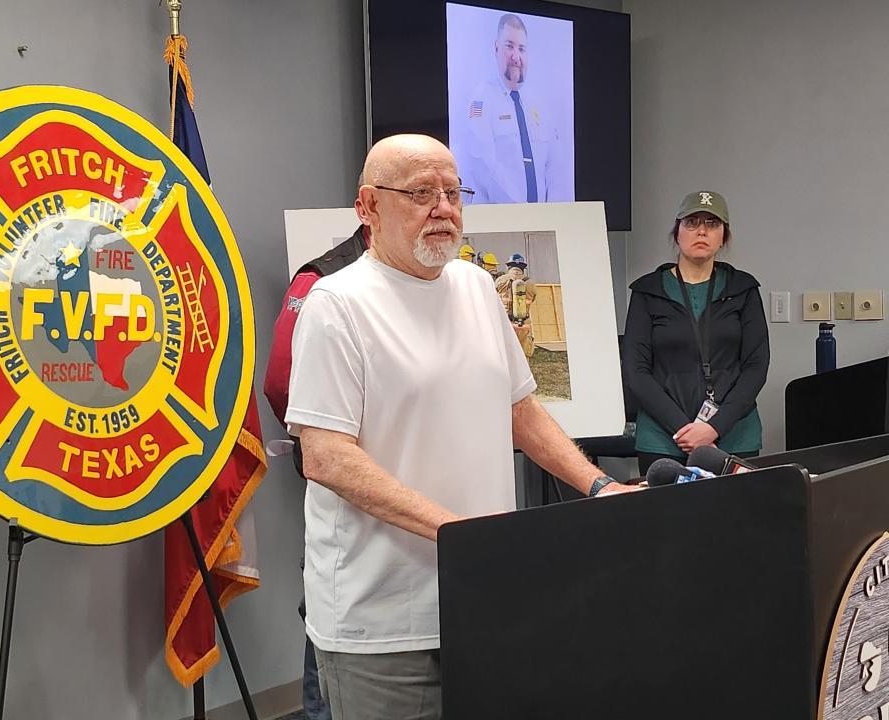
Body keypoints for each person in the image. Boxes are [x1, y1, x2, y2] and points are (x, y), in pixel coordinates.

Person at [285, 134, 636, 719]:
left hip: (483, 601)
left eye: (453, 192)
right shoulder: (336, 305)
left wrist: (598, 486)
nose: (443, 208)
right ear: (368, 207)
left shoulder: (476, 287)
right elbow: (326, 457)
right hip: (383, 620)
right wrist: (461, 534)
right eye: (421, 193)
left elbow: (519, 409)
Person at [264, 224, 370, 720]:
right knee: (330, 613)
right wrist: (327, 445)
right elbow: (281, 382)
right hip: (348, 486)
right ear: (371, 208)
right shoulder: (321, 278)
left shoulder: (444, 279)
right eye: (418, 196)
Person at [622, 190, 769, 476]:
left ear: (723, 236)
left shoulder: (743, 289)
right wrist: (687, 433)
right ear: (676, 232)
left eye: (712, 224)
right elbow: (636, 370)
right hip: (664, 438)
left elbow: (756, 366)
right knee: (668, 519)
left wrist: (713, 428)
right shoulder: (647, 291)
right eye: (691, 223)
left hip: (734, 433)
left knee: (734, 518)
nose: (701, 231)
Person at [457, 13, 571, 204]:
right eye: (509, 46)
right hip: (501, 222)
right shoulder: (481, 99)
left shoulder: (539, 104)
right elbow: (483, 164)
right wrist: (522, 210)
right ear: (496, 48)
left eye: (522, 49)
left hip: (541, 221)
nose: (516, 56)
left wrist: (554, 215)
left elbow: (555, 167)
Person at [495, 253, 537, 357]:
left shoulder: (500, 280)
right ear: (523, 268)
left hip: (505, 323)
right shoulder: (530, 283)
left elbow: (493, 298)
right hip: (524, 323)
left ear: (508, 266)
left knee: (506, 354)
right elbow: (533, 299)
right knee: (523, 353)